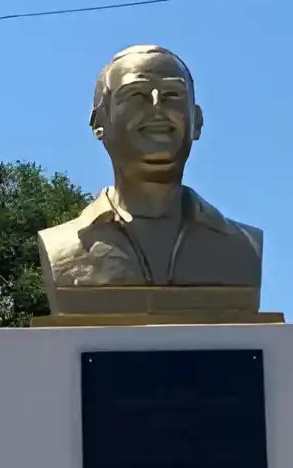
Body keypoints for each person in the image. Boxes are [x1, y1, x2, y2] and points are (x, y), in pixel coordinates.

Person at [37, 45, 262, 313]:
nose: (157, 107)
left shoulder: (243, 247)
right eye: (135, 95)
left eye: (172, 94)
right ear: (100, 123)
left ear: (197, 121)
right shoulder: (63, 247)